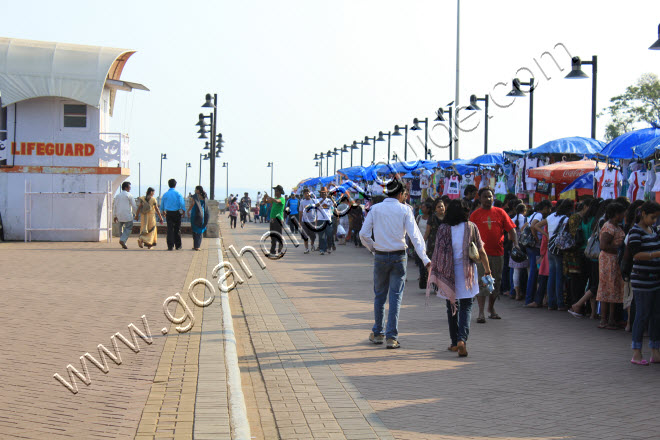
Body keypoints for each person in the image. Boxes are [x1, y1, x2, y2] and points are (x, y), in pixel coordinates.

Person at [359, 178, 430, 349]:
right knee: (395, 297)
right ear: (400, 194)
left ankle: (377, 333)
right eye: (404, 194)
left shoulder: (375, 209)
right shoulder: (405, 210)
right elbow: (415, 236)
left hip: (381, 255)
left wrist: (373, 248)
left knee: (380, 296)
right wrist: (425, 259)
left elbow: (363, 234)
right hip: (399, 256)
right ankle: (391, 337)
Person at [428, 199, 491, 357]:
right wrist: (488, 270)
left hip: (448, 273)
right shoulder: (471, 227)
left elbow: (437, 251)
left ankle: (454, 342)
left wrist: (434, 272)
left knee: (451, 308)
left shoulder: (443, 228)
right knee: (466, 306)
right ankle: (462, 339)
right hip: (467, 272)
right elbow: (481, 250)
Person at [470, 187, 519, 322]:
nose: (488, 199)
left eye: (490, 196)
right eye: (485, 197)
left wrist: (516, 244)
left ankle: (491, 309)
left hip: (498, 253)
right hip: (480, 256)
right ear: (480, 199)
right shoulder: (475, 214)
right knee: (482, 282)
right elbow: (469, 233)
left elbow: (512, 229)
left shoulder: (501, 212)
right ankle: (481, 313)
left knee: (495, 283)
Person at [627, 201, 660, 365]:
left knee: (656, 315)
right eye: (652, 217)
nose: (654, 221)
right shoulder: (635, 232)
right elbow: (636, 254)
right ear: (644, 214)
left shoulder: (652, 230)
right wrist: (655, 254)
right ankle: (637, 353)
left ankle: (655, 350)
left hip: (654, 279)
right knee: (642, 315)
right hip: (642, 279)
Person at [532, 199, 573, 310]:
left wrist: (547, 235)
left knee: (551, 276)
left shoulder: (552, 216)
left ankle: (551, 303)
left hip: (550, 248)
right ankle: (560, 303)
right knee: (559, 276)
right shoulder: (566, 219)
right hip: (559, 248)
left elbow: (536, 226)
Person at [596, 202, 626, 329]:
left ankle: (610, 319)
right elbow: (603, 245)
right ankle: (604, 319)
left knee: (612, 289)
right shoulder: (609, 227)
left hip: (614, 260)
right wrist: (618, 249)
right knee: (606, 287)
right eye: (622, 213)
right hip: (609, 260)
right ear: (616, 214)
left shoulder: (616, 226)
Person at [523, 200, 552, 307]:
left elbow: (526, 225)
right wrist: (537, 238)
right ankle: (529, 299)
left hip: (530, 246)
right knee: (534, 273)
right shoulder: (539, 215)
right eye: (548, 208)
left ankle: (529, 298)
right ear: (544, 207)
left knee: (533, 272)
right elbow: (533, 226)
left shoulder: (533, 214)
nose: (549, 211)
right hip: (534, 247)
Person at [160, 179, 185, 251]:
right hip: (177, 212)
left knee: (170, 229)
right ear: (175, 185)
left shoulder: (165, 194)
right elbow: (182, 203)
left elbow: (162, 204)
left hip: (169, 213)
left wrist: (163, 211)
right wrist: (183, 211)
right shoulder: (178, 193)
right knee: (177, 229)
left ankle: (170, 246)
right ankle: (178, 245)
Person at [262, 185, 286, 256]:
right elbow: (265, 202)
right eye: (275, 191)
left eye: (276, 191)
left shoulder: (282, 199)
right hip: (272, 220)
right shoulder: (274, 199)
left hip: (278, 219)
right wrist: (265, 197)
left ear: (280, 192)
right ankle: (272, 251)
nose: (275, 192)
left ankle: (280, 250)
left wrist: (270, 197)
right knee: (272, 236)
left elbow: (276, 201)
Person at [113, 181, 137, 249]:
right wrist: (136, 214)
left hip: (119, 215)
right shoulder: (129, 195)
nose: (130, 189)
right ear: (126, 188)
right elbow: (134, 206)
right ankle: (123, 240)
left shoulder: (118, 196)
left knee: (121, 229)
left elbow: (115, 206)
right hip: (127, 215)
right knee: (128, 228)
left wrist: (114, 215)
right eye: (129, 187)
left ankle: (123, 241)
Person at [415, 201, 433, 289]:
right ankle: (423, 280)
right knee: (421, 263)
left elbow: (428, 232)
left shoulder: (432, 218)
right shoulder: (419, 217)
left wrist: (424, 240)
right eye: (421, 207)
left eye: (423, 207)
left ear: (428, 209)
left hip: (428, 243)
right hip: (419, 243)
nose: (421, 209)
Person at [186, 186, 209, 251]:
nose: (195, 190)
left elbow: (192, 204)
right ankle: (197, 245)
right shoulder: (204, 196)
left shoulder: (195, 196)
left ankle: (196, 245)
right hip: (202, 213)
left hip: (195, 213)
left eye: (195, 189)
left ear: (198, 190)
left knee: (195, 229)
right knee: (200, 229)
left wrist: (188, 211)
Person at [315, 187, 335, 256]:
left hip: (328, 220)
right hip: (320, 220)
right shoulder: (317, 200)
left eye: (325, 193)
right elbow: (316, 206)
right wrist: (322, 200)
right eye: (322, 193)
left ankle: (329, 247)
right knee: (321, 235)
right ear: (320, 193)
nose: (324, 194)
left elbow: (335, 205)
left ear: (327, 193)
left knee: (329, 234)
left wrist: (331, 198)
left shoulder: (329, 200)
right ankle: (322, 249)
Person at [299, 188, 317, 253]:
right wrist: (300, 221)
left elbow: (317, 210)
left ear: (309, 193)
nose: (306, 194)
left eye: (307, 193)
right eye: (305, 193)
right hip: (304, 222)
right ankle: (306, 249)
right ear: (303, 194)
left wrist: (316, 220)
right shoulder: (302, 202)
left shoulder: (314, 201)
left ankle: (312, 244)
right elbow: (300, 212)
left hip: (312, 221)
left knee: (313, 236)